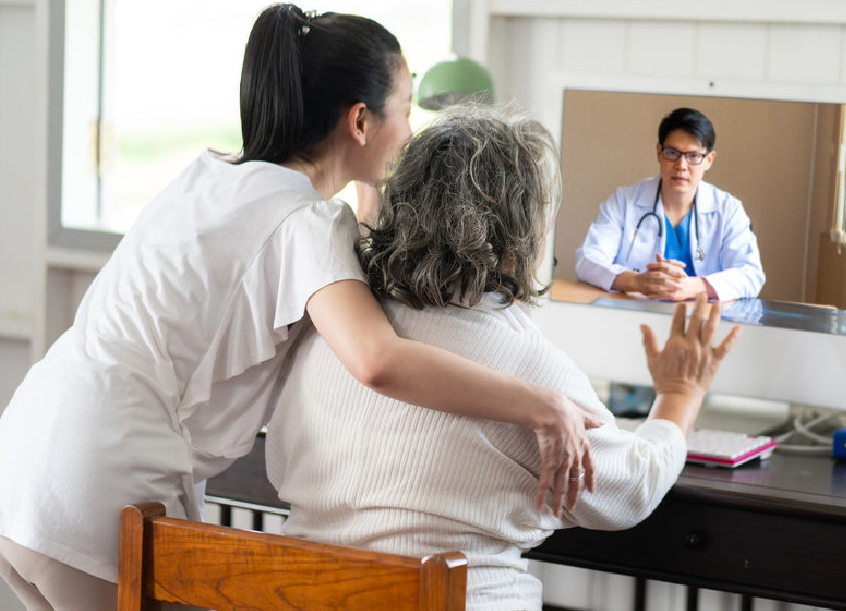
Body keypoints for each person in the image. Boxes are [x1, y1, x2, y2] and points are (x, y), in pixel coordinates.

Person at [0, 6, 600, 610]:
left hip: (22, 468)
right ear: (360, 122)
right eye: (405, 112)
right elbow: (378, 359)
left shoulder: (208, 176)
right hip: (94, 490)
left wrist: (368, 190)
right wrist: (543, 405)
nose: (411, 135)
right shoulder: (305, 223)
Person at [266, 105, 740, 610]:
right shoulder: (525, 366)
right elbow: (631, 490)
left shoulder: (332, 327)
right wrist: (678, 397)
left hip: (298, 596)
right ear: (520, 232)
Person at [574, 107, 765, 301]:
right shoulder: (624, 201)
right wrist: (638, 281)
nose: (681, 165)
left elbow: (751, 274)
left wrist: (695, 286)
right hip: (633, 316)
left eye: (693, 156)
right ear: (659, 152)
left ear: (709, 160)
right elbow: (587, 259)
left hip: (701, 323)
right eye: (672, 152)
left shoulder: (728, 210)